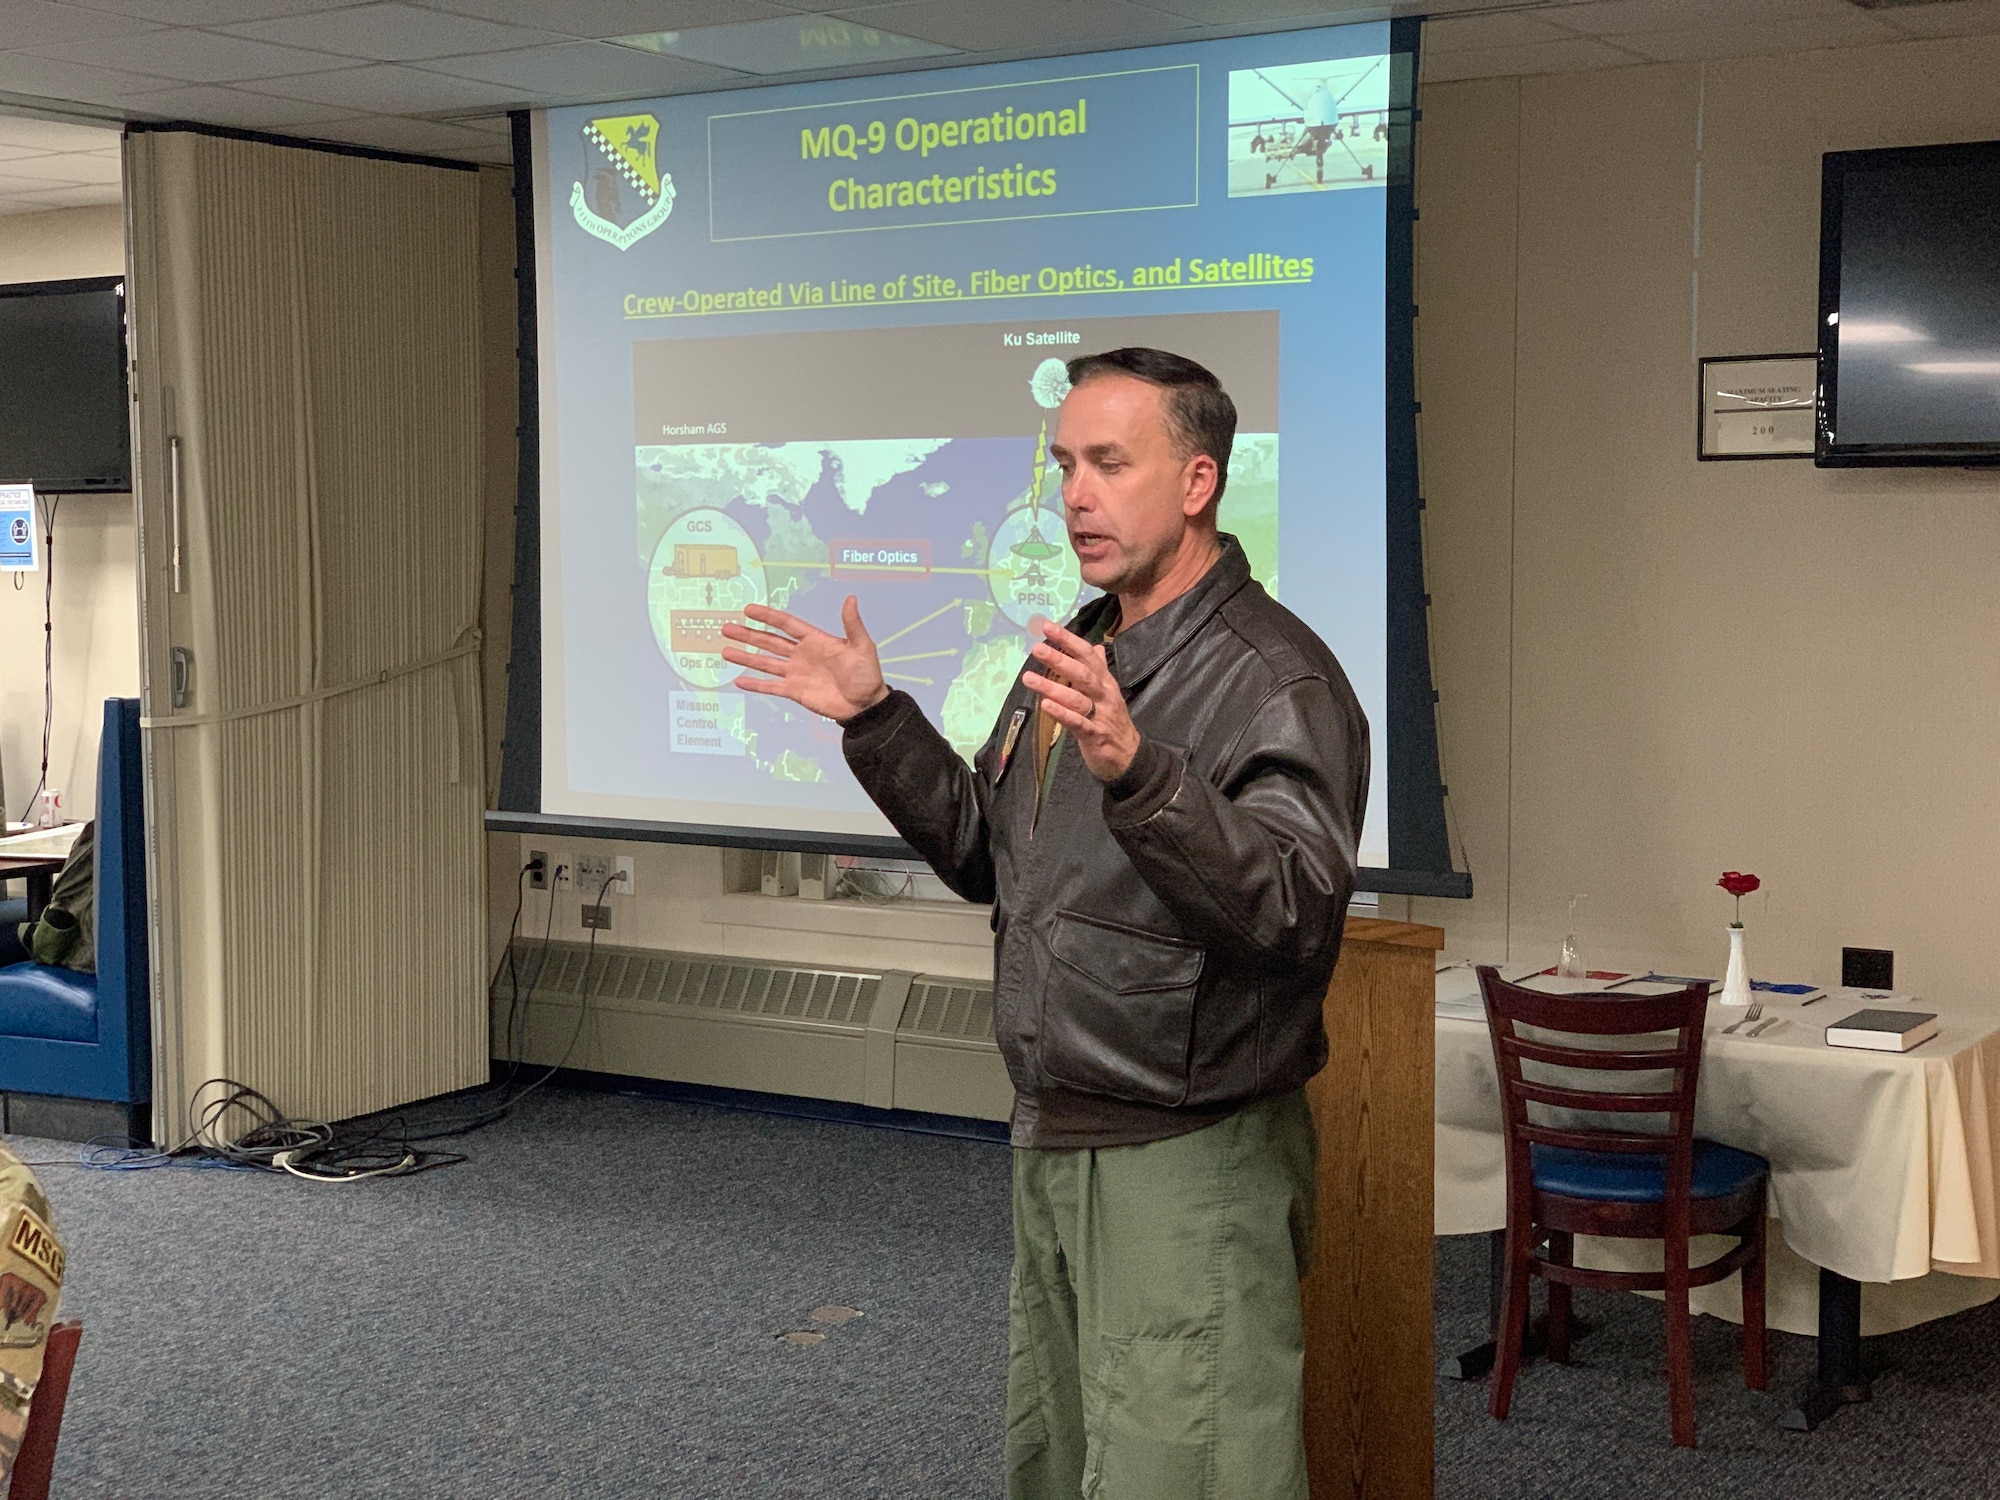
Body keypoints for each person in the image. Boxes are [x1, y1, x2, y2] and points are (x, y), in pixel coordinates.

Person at [720, 347, 1368, 1499]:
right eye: (1064, 462)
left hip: (1187, 1149)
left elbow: (1292, 916)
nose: (1073, 493)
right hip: (1057, 1126)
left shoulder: (1279, 681)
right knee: (1066, 1453)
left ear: (1197, 482)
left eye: (1109, 463)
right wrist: (876, 721)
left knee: (1190, 1461)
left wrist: (1141, 774)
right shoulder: (1077, 651)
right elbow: (987, 853)